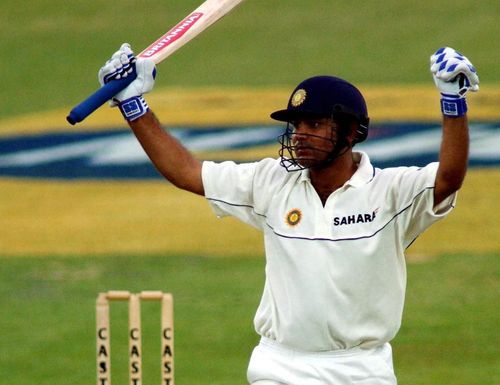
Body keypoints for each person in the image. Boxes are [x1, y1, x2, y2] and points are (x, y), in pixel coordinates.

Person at [98, 44, 479, 385]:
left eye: (313, 124)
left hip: (362, 369)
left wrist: (452, 102)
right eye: (295, 124)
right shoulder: (271, 182)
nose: (298, 134)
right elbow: (186, 172)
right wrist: (134, 105)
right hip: (280, 367)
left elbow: (448, 177)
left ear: (350, 132)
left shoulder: (391, 192)